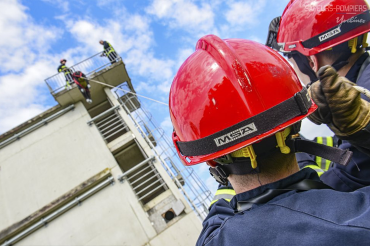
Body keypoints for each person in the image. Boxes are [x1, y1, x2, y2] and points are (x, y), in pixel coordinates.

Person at [169, 34, 370, 246]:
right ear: (297, 123)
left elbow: (214, 222)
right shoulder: (360, 215)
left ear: (210, 160)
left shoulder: (220, 239)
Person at [266, 0, 370, 191]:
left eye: (291, 58)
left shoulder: (358, 101)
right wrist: (297, 143)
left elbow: (343, 187)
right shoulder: (359, 83)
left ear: (310, 60)